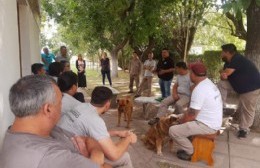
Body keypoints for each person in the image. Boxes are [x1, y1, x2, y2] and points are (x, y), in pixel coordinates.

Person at [0, 75, 109, 168]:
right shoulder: (48, 156)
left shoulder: (37, 129)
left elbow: (87, 139)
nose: (61, 107)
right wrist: (89, 158)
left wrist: (96, 152)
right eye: (60, 103)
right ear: (48, 109)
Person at [57, 86, 137, 168]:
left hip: (60, 147)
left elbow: (96, 133)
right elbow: (114, 154)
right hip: (71, 157)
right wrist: (129, 138)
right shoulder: (95, 120)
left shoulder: (81, 106)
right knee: (125, 157)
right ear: (108, 104)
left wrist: (117, 133)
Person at [169, 63, 223, 161]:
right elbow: (192, 111)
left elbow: (191, 117)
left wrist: (179, 122)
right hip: (211, 121)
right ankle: (188, 140)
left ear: (193, 74)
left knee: (173, 130)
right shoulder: (208, 83)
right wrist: (181, 117)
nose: (189, 74)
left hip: (207, 126)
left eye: (190, 72)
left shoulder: (199, 89)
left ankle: (190, 152)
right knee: (178, 116)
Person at [218, 43, 260, 138]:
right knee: (221, 84)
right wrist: (223, 73)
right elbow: (223, 77)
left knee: (247, 109)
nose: (221, 54)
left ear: (228, 52)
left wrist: (223, 73)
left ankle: (244, 129)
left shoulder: (237, 59)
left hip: (251, 88)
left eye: (222, 52)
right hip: (239, 86)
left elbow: (225, 73)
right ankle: (222, 106)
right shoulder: (227, 63)